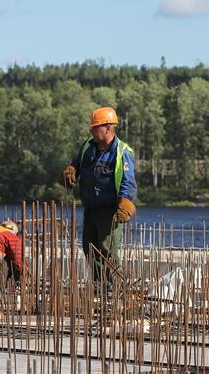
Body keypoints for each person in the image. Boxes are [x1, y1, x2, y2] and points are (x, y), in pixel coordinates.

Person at [60, 106, 137, 287]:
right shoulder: (88, 146)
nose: (92, 131)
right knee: (90, 249)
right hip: (91, 209)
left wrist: (125, 204)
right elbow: (77, 163)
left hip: (110, 211)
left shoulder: (122, 152)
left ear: (108, 128)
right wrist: (71, 171)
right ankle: (98, 288)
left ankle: (116, 289)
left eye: (96, 128)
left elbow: (128, 181)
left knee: (108, 251)